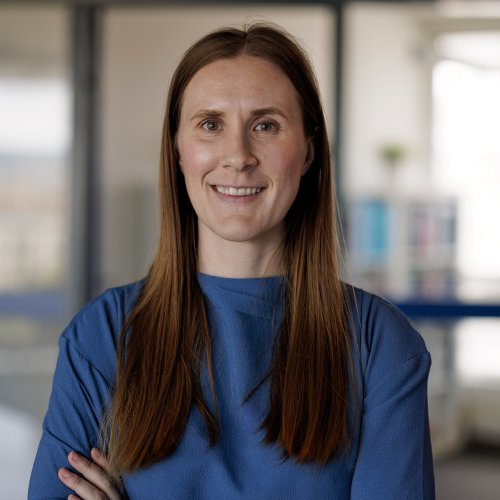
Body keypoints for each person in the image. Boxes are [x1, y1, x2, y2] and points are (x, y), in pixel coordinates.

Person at [29, 23, 435, 499]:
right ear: (178, 150)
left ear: (308, 150)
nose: (238, 156)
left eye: (266, 126)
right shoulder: (102, 336)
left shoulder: (380, 345)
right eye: (210, 125)